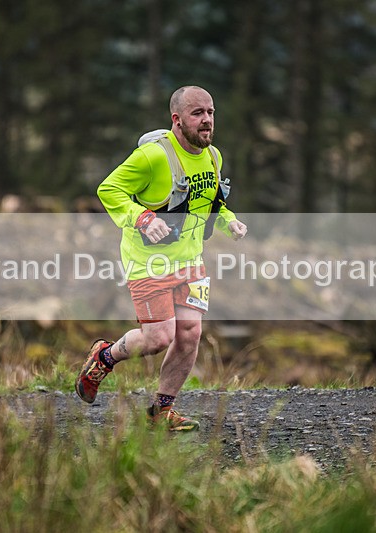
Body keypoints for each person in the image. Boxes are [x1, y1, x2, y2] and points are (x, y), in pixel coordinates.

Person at [75, 86, 247, 431]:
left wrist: (229, 222)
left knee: (190, 333)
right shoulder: (153, 157)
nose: (207, 120)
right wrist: (143, 218)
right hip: (148, 262)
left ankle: (161, 411)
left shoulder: (214, 156)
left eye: (211, 112)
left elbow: (212, 201)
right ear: (177, 119)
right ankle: (103, 357)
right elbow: (108, 190)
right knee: (158, 339)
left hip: (191, 259)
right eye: (197, 113)